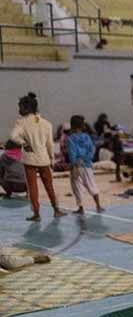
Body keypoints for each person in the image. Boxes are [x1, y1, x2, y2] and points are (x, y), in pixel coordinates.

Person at [10, 93, 65, 221]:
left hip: (29, 159)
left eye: (20, 107)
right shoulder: (46, 123)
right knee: (49, 185)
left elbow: (13, 136)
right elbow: (50, 144)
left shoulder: (21, 122)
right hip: (44, 159)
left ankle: (36, 214)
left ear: (26, 107)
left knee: (33, 187)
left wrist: (24, 143)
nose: (19, 110)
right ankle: (56, 210)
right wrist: (51, 159)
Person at [66, 115, 104, 215]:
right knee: (91, 184)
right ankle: (98, 205)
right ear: (83, 126)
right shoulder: (87, 137)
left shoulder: (70, 139)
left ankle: (81, 207)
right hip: (87, 165)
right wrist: (86, 159)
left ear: (72, 126)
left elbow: (72, 152)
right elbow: (92, 150)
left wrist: (74, 162)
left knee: (77, 186)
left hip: (77, 166)